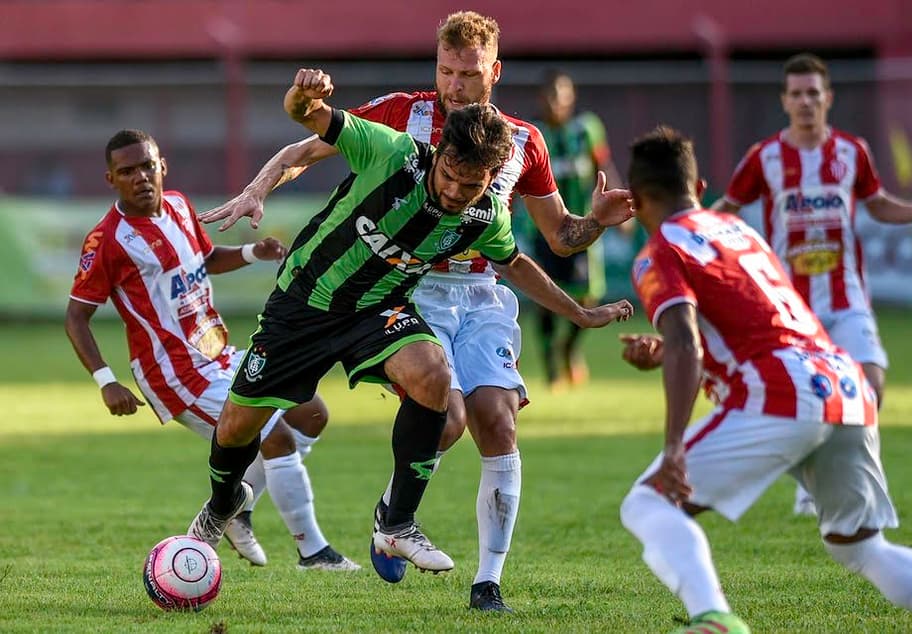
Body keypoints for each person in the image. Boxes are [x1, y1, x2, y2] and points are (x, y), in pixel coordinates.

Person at [202, 11, 634, 611]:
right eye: (446, 71)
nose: (454, 84)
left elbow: (559, 237)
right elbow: (311, 143)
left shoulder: (522, 144)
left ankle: (485, 583)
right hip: (406, 289)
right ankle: (371, 512)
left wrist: (596, 225)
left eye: (468, 73)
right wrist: (260, 187)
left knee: (497, 420)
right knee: (445, 416)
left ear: (495, 72)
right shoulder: (403, 119)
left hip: (482, 294)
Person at [618, 125, 912, 634]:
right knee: (860, 545)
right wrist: (668, 353)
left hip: (782, 391)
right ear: (701, 188)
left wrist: (673, 443)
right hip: (846, 386)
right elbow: (753, 318)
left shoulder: (659, 251)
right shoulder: (741, 231)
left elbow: (688, 340)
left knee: (647, 501)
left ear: (636, 200)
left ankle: (715, 619)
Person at [65, 129, 358, 572]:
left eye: (147, 166)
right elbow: (76, 316)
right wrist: (106, 381)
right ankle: (314, 553)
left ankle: (234, 507)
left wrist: (251, 252)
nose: (140, 177)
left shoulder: (180, 205)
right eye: (127, 171)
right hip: (175, 372)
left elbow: (201, 259)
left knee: (311, 412)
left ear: (162, 165)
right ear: (111, 180)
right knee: (272, 437)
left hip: (218, 351)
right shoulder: (107, 240)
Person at [710, 53, 912, 516]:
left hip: (847, 296)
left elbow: (877, 204)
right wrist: (690, 222)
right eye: (796, 93)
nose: (805, 101)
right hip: (791, 305)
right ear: (784, 100)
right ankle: (813, 482)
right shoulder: (765, 157)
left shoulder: (851, 151)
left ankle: (851, 478)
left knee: (871, 383)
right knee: (806, 395)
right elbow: (729, 205)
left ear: (828, 98)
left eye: (813, 93)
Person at [528, 70, 623, 389]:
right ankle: (551, 368)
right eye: (552, 95)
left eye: (563, 94)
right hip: (541, 228)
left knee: (589, 294)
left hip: (583, 226)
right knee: (544, 295)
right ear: (543, 99)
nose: (558, 101)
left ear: (572, 97)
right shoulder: (534, 134)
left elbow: (604, 167)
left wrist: (620, 207)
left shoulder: (587, 129)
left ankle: (569, 349)